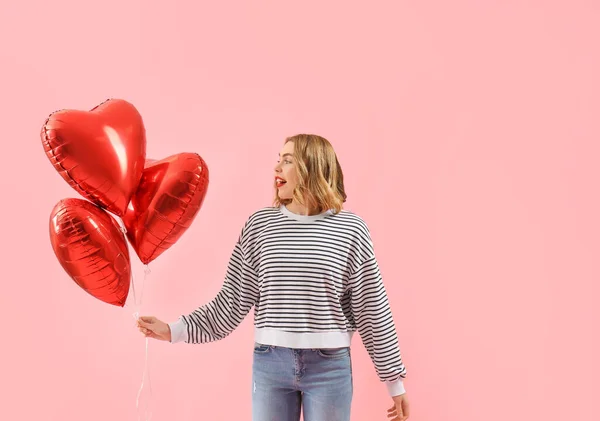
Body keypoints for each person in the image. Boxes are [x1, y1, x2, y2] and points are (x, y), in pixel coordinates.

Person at [137, 134, 410, 421]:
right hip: (270, 363)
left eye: (288, 161)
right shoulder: (260, 225)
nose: (277, 168)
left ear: (313, 167)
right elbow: (230, 302)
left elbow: (372, 308)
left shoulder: (351, 229)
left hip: (330, 367)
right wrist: (173, 330)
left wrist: (395, 382)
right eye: (278, 160)